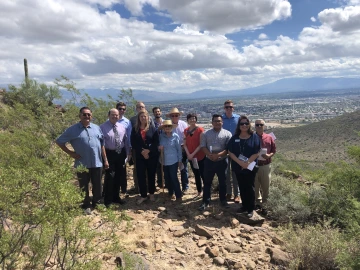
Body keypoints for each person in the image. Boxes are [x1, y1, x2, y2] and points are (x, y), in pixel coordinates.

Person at [56, 107, 108, 215]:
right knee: (83, 185)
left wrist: (105, 160)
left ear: (91, 116)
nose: (87, 116)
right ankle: (86, 205)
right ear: (80, 116)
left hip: (97, 162)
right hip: (82, 164)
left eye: (89, 114)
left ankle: (97, 202)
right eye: (84, 114)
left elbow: (102, 144)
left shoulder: (96, 128)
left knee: (98, 184)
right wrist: (71, 153)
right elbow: (59, 141)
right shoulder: (72, 129)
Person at [228, 115, 260, 218]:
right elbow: (230, 151)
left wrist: (246, 163)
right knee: (241, 186)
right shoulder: (235, 137)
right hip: (238, 166)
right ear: (239, 125)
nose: (244, 125)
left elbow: (257, 152)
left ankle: (251, 208)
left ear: (249, 125)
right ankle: (244, 206)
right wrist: (240, 162)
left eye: (246, 123)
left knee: (250, 187)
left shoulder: (254, 136)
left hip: (250, 166)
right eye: (242, 123)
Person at [198, 114, 232, 211]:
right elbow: (203, 146)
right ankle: (205, 201)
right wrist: (210, 155)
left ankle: (223, 200)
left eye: (219, 121)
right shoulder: (206, 134)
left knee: (223, 182)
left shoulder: (228, 134)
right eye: (215, 121)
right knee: (207, 182)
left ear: (222, 122)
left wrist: (218, 155)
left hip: (222, 161)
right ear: (212, 122)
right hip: (209, 161)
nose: (217, 123)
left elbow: (228, 148)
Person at [100, 109, 130, 207]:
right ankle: (108, 200)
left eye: (116, 115)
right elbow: (102, 145)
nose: (115, 116)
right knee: (110, 177)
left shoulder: (122, 127)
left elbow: (125, 141)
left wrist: (127, 154)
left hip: (120, 153)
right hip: (109, 154)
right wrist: (105, 159)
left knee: (118, 176)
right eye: (113, 115)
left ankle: (116, 197)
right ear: (108, 115)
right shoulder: (103, 127)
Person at [130, 110, 159, 205]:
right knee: (141, 176)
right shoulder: (135, 129)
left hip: (152, 156)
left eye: (145, 116)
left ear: (148, 117)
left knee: (151, 175)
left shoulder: (153, 129)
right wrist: (142, 151)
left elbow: (156, 142)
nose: (143, 118)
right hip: (139, 156)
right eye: (141, 116)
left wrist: (148, 150)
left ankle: (151, 193)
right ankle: (143, 195)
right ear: (139, 118)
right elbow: (133, 143)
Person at [129, 101, 154, 193]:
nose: (141, 108)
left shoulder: (151, 123)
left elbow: (154, 138)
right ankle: (140, 191)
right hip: (138, 152)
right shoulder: (133, 124)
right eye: (139, 107)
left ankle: (150, 191)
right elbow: (133, 139)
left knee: (150, 172)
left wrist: (149, 150)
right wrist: (141, 151)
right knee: (139, 172)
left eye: (142, 107)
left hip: (150, 153)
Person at [254, 119, 276, 214]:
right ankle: (257, 203)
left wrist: (269, 155)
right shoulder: (251, 137)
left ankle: (265, 205)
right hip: (254, 165)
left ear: (264, 126)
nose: (259, 126)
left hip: (266, 165)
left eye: (261, 125)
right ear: (254, 126)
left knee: (266, 186)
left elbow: (274, 150)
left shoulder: (269, 137)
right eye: (257, 125)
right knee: (255, 185)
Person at [158, 120, 183, 201]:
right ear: (163, 128)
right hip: (164, 161)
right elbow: (157, 147)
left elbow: (179, 149)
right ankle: (170, 192)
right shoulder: (161, 136)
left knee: (174, 178)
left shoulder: (176, 136)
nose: (167, 128)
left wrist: (180, 160)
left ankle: (178, 195)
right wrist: (159, 148)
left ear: (172, 127)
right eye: (166, 126)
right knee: (167, 177)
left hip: (173, 161)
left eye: (169, 126)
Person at [166, 108, 189, 193]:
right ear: (171, 116)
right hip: (172, 151)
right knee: (173, 171)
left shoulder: (184, 124)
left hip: (182, 149)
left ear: (179, 116)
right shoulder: (167, 125)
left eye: (176, 115)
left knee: (184, 169)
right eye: (173, 115)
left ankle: (185, 186)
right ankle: (174, 188)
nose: (175, 117)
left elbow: (187, 136)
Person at [222, 100, 240, 203]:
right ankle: (229, 192)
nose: (229, 109)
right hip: (224, 149)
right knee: (226, 172)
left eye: (230, 107)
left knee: (235, 172)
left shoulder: (238, 119)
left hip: (236, 150)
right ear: (224, 108)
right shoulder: (221, 119)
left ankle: (237, 194)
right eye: (227, 107)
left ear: (233, 108)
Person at [183, 113, 205, 198]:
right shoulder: (186, 130)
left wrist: (192, 154)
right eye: (190, 119)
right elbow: (184, 144)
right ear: (188, 120)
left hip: (200, 156)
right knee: (196, 174)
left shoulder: (200, 130)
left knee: (203, 174)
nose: (192, 120)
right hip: (191, 157)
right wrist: (189, 154)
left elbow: (201, 144)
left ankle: (206, 190)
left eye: (193, 118)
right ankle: (199, 191)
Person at [116, 102, 132, 196]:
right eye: (120, 108)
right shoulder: (111, 120)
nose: (122, 110)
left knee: (122, 169)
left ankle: (124, 189)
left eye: (123, 109)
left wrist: (129, 150)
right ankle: (115, 189)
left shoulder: (127, 122)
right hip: (112, 149)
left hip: (123, 149)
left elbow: (128, 137)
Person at [152, 106, 164, 188]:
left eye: (158, 111)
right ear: (153, 113)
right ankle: (159, 183)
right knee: (157, 166)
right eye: (156, 112)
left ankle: (166, 182)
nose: (157, 113)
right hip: (156, 147)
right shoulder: (151, 123)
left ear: (161, 112)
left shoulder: (165, 122)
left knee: (165, 166)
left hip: (165, 147)